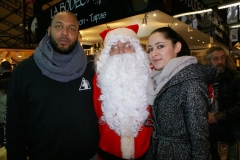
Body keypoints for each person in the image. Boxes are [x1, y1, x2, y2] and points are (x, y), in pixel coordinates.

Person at [4, 11, 99, 160]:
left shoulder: (91, 69)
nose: (65, 33)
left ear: (78, 35)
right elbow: (14, 124)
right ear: (48, 30)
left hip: (89, 156)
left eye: (72, 28)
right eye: (59, 26)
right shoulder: (25, 71)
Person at [145, 27, 215, 160]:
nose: (153, 53)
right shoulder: (157, 79)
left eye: (160, 46)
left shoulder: (191, 81)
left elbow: (199, 136)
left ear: (177, 47)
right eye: (150, 49)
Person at [93, 24, 152, 159]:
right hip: (107, 152)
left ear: (136, 49)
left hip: (145, 153)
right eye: (114, 47)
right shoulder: (99, 78)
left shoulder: (149, 74)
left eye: (127, 46)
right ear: (107, 53)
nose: (121, 51)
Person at [204, 46, 240, 160]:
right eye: (216, 59)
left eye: (222, 58)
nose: (220, 62)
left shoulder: (235, 77)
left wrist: (216, 117)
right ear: (208, 61)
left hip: (231, 125)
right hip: (211, 122)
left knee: (202, 134)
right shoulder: (205, 79)